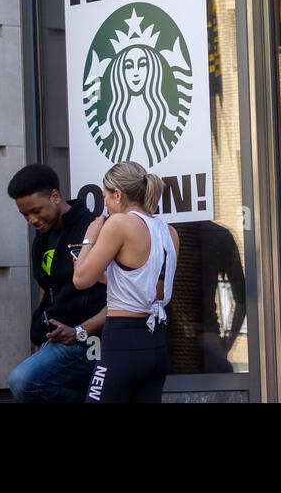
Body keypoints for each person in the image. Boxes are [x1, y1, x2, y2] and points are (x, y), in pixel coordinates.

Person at [73, 161, 179, 402]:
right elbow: (144, 285)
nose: (106, 206)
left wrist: (89, 239)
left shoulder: (120, 223)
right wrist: (102, 275)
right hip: (155, 345)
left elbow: (80, 280)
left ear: (118, 194)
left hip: (122, 343)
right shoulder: (168, 231)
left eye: (106, 198)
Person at [7, 164, 107, 401]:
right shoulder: (43, 237)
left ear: (55, 196)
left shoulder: (92, 229)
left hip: (90, 343)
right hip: (55, 341)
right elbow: (46, 288)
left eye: (36, 211)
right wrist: (39, 341)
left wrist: (80, 331)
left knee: (22, 381)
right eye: (25, 215)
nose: (32, 219)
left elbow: (120, 294)